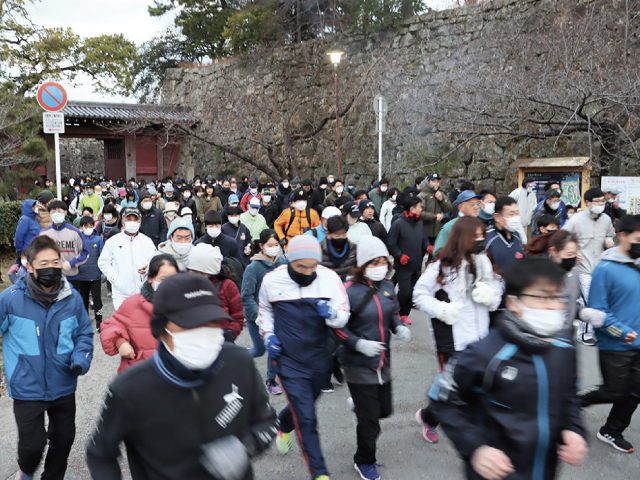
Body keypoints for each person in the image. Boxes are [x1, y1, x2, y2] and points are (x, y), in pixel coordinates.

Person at [86, 273, 279, 479]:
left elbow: (268, 421)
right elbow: (100, 455)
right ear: (161, 330)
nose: (203, 331)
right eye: (189, 324)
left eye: (212, 321)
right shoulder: (129, 389)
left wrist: (245, 447)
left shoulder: (239, 362)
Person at [429, 256, 588, 480]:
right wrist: (476, 448)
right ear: (513, 303)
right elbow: (441, 400)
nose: (553, 306)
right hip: (495, 473)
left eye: (557, 297)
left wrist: (574, 429)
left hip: (546, 471)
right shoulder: (484, 352)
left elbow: (569, 394)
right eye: (542, 297)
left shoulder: (564, 346)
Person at [1, 235, 93, 480]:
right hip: (27, 387)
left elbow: (84, 332)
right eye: (43, 264)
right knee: (32, 447)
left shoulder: (71, 298)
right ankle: (26, 472)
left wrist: (81, 358)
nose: (50, 268)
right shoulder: (10, 299)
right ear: (29, 267)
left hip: (63, 383)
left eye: (55, 262)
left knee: (63, 441)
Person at [259, 235, 349, 480]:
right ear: (290, 260)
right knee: (307, 417)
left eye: (313, 267)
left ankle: (285, 422)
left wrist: (332, 314)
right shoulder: (272, 280)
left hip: (321, 357)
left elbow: (343, 313)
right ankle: (320, 474)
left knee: (306, 404)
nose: (308, 272)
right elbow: (265, 310)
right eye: (301, 267)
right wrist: (268, 335)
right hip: (288, 359)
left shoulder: (329, 278)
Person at [413, 216, 502, 443]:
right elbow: (419, 295)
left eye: (484, 236)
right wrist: (441, 309)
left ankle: (477, 432)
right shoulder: (441, 267)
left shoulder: (486, 263)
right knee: (453, 388)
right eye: (476, 237)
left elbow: (497, 294)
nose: (481, 241)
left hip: (481, 337)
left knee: (477, 387)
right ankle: (429, 417)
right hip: (453, 339)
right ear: (463, 238)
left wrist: (491, 296)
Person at [335, 236, 411, 480]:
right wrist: (358, 343)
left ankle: (360, 405)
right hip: (357, 362)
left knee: (385, 410)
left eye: (383, 262)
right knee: (371, 424)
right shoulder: (347, 291)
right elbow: (336, 327)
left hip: (382, 360)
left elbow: (393, 312)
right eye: (373, 262)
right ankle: (364, 460)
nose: (379, 266)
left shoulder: (388, 286)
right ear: (362, 263)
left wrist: (398, 327)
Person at [578, 214, 640, 453]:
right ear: (622, 236)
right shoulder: (605, 269)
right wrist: (621, 332)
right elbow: (597, 312)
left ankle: (611, 431)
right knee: (614, 390)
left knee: (635, 390)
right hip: (615, 345)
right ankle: (573, 402)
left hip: (638, 343)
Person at [100, 254, 179, 375]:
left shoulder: (186, 305)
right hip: (140, 375)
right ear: (150, 278)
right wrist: (120, 342)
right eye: (163, 279)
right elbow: (109, 326)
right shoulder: (133, 304)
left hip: (175, 376)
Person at [563, 187, 615, 345]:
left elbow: (611, 238)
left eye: (602, 201)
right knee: (589, 301)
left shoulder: (606, 219)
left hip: (601, 268)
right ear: (587, 203)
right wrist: (572, 253)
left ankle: (595, 331)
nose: (601, 204)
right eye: (597, 201)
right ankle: (584, 334)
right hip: (583, 268)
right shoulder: (576, 220)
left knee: (599, 301)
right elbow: (563, 238)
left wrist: (609, 243)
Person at [241, 230, 287, 395]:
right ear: (261, 246)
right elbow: (246, 296)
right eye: (270, 245)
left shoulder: (283, 263)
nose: (274, 248)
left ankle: (271, 379)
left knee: (275, 348)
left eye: (276, 245)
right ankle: (235, 356)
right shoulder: (253, 268)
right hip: (258, 317)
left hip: (279, 315)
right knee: (259, 350)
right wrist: (257, 317)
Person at [98, 207, 157, 309]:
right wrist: (115, 279)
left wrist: (149, 267)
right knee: (123, 322)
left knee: (140, 322)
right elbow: (103, 262)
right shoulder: (113, 241)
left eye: (135, 219)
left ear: (140, 221)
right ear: (123, 221)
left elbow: (154, 259)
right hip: (120, 293)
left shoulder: (146, 241)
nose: (132, 222)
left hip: (142, 291)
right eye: (129, 219)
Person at [187, 243, 244, 342]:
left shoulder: (227, 286)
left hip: (221, 342)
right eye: (193, 271)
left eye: (201, 273)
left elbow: (237, 317)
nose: (197, 276)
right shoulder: (182, 285)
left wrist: (229, 333)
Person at [388, 196, 431, 325]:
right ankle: (393, 310)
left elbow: (424, 239)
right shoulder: (398, 224)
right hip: (403, 265)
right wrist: (399, 255)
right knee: (405, 292)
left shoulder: (419, 223)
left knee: (413, 292)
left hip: (416, 265)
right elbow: (391, 243)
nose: (421, 209)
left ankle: (404, 314)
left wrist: (428, 247)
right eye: (419, 206)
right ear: (412, 208)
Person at [39, 200, 89, 290]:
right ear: (49, 214)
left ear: (65, 212)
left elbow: (85, 253)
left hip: (71, 276)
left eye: (59, 211)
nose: (56, 214)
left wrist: (72, 263)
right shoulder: (44, 234)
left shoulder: (75, 232)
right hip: (51, 277)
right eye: (53, 212)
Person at [433, 190, 482, 257]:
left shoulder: (479, 226)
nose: (476, 207)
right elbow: (437, 253)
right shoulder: (450, 227)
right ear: (460, 207)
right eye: (472, 204)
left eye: (478, 204)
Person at [77, 216, 105, 331]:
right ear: (81, 227)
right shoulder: (78, 239)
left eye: (90, 226)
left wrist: (103, 272)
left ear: (93, 226)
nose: (88, 228)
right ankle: (84, 322)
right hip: (82, 276)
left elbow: (103, 256)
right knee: (83, 299)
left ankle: (99, 321)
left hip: (95, 276)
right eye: (85, 226)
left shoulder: (98, 240)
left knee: (97, 299)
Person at [485, 196, 524, 273]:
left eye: (517, 213)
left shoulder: (517, 236)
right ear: (497, 217)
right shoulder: (487, 237)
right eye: (511, 214)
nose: (516, 218)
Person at [320, 215, 358, 282]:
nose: (341, 237)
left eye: (344, 234)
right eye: (337, 235)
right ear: (328, 234)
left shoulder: (354, 249)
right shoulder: (320, 251)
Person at [418, 173, 452, 245]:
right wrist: (435, 216)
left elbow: (448, 208)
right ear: (428, 182)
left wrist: (442, 199)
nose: (436, 184)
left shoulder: (440, 194)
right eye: (433, 181)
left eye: (437, 181)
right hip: (423, 232)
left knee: (434, 255)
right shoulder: (422, 195)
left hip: (436, 233)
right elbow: (419, 213)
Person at [14, 199, 42, 264]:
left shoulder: (34, 219)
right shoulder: (25, 219)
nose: (36, 207)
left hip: (35, 250)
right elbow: (19, 236)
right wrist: (20, 250)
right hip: (27, 251)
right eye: (34, 206)